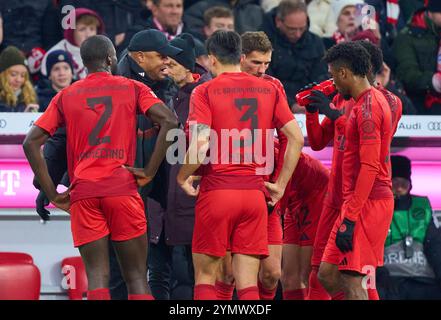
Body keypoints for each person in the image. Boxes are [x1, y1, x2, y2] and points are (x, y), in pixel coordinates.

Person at [23, 35, 178, 300]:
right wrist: (150, 170)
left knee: (96, 280)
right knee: (138, 279)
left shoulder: (65, 95)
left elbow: (31, 142)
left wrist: (51, 192)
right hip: (122, 188)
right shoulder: (132, 87)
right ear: (110, 59)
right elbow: (169, 120)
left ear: (84, 63)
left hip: (84, 193)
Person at [177, 30, 304, 300]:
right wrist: (280, 185)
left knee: (206, 276)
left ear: (212, 60)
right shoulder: (269, 88)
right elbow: (296, 138)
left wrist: (182, 177)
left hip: (218, 191)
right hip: (255, 196)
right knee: (248, 283)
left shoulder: (205, 90)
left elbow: (200, 143)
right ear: (240, 56)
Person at [304, 39, 403, 300]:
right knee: (323, 273)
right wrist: (313, 112)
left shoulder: (382, 102)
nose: (333, 81)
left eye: (335, 75)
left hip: (364, 199)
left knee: (356, 277)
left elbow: (369, 159)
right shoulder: (349, 99)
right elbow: (317, 142)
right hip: (340, 196)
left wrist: (336, 116)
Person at [115, 29, 182, 300]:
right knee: (125, 274)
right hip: (126, 189)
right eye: (161, 57)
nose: (166, 63)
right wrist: (45, 183)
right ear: (140, 57)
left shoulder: (163, 84)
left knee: (153, 271)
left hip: (153, 193)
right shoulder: (118, 84)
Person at [145, 33, 211, 300]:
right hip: (163, 197)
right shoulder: (168, 91)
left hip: (193, 196)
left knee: (201, 274)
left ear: (186, 64)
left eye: (171, 63)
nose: (166, 68)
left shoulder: (205, 94)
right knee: (157, 271)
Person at [377, 155, 441, 300]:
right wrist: (380, 273)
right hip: (390, 281)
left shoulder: (422, 207)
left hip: (424, 280)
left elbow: (436, 246)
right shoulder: (376, 209)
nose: (399, 188)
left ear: (410, 185)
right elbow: (367, 247)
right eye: (395, 183)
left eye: (404, 184)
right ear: (388, 183)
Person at [260, 0, 328, 107]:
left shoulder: (315, 43)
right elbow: (265, 81)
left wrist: (310, 102)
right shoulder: (263, 43)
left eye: (302, 28)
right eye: (291, 29)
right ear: (278, 22)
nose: (298, 34)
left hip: (310, 103)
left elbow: (321, 77)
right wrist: (290, 105)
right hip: (274, 103)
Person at [393, 0, 441, 114]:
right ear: (430, 13)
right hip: (420, 108)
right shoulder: (407, 37)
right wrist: (434, 81)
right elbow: (407, 74)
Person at [41, 8, 105, 80]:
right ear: (71, 32)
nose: (88, 35)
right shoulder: (54, 53)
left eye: (92, 29)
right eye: (82, 29)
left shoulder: (103, 53)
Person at [184, 0, 264, 41]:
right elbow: (193, 37)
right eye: (220, 26)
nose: (226, 30)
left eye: (230, 27)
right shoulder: (199, 8)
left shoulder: (256, 11)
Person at [0, 46, 39, 112]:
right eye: (13, 74)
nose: (18, 80)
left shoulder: (30, 97)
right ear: (2, 75)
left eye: (23, 75)